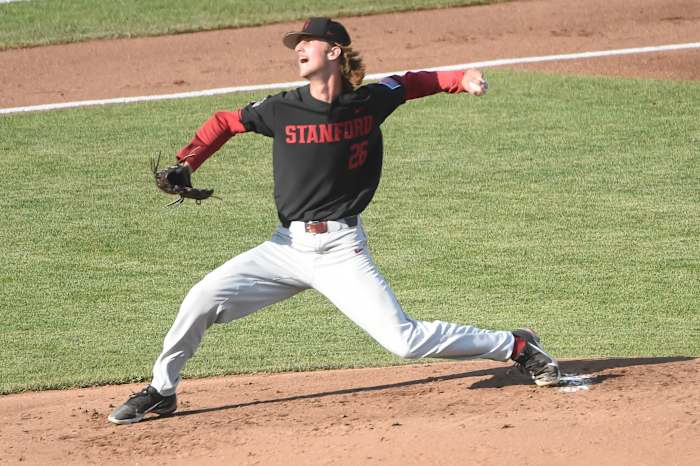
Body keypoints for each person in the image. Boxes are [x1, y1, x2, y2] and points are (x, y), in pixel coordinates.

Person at [108, 17, 560, 425]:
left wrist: (461, 78)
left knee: (404, 342)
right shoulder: (283, 108)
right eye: (296, 44)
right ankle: (162, 391)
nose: (298, 49)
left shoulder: (366, 102)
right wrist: (188, 162)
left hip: (343, 251)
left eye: (308, 42)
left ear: (335, 52)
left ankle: (517, 346)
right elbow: (226, 121)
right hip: (285, 249)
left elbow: (412, 82)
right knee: (201, 298)